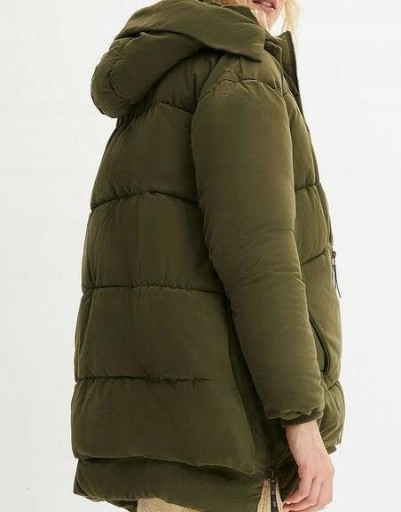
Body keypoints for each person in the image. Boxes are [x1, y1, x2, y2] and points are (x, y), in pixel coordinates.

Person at [70, 0, 346, 511]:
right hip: (230, 450)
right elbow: (259, 262)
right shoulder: (240, 73)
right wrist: (302, 421)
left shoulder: (164, 72)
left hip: (166, 448)